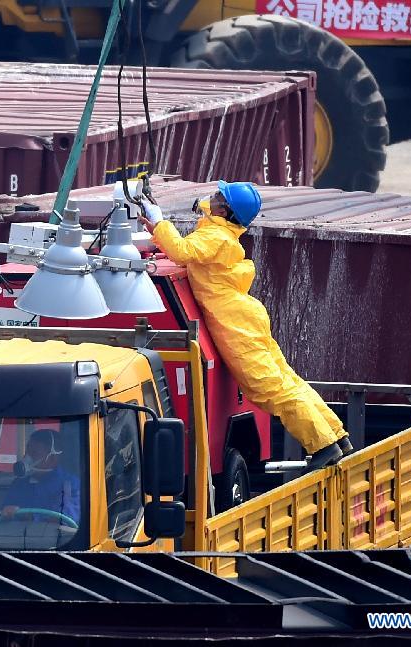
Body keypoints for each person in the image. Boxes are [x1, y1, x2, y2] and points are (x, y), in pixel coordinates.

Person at [138, 180, 352, 470]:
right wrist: (157, 228)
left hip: (234, 322)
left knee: (267, 387)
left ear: (225, 210)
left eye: (218, 196)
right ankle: (336, 437)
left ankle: (323, 445)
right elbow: (189, 252)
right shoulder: (220, 234)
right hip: (244, 315)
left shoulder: (216, 235)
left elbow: (182, 252)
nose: (211, 197)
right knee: (286, 379)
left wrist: (160, 221)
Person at [1, 429, 80, 522]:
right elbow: (3, 514)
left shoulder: (71, 484)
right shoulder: (19, 483)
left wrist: (31, 516)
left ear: (52, 458)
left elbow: (66, 518)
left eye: (34, 453)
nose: (27, 457)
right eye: (27, 452)